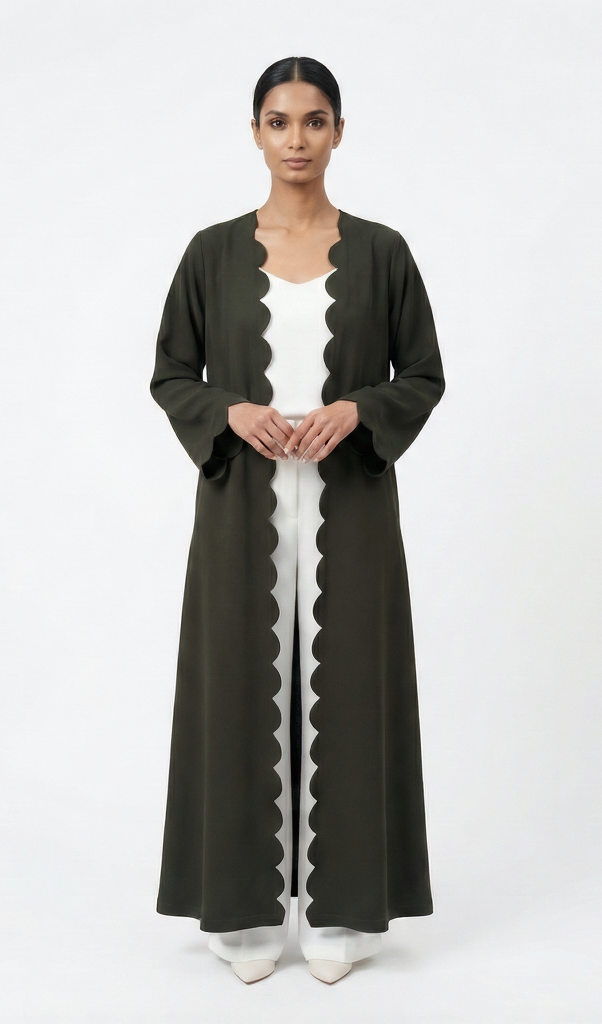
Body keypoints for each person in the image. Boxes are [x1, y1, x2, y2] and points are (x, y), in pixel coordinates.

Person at [149, 55, 445, 985]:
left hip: (349, 509)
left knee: (350, 691)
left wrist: (358, 410)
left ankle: (344, 911)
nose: (297, 140)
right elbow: (171, 373)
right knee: (237, 688)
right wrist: (228, 411)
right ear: (255, 133)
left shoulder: (384, 252)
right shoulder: (210, 253)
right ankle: (240, 913)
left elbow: (423, 375)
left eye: (315, 121)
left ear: (339, 132)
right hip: (242, 510)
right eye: (279, 122)